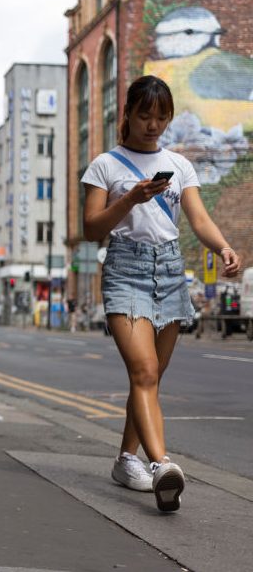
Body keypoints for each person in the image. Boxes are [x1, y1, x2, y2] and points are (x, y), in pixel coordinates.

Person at [82, 75, 241, 512]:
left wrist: (224, 246)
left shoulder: (179, 164)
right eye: (145, 116)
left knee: (150, 378)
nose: (153, 125)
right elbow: (91, 229)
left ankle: (125, 461)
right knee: (145, 371)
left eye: (161, 117)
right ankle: (161, 465)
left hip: (170, 270)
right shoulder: (105, 166)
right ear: (128, 115)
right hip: (125, 270)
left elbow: (198, 218)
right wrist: (131, 199)